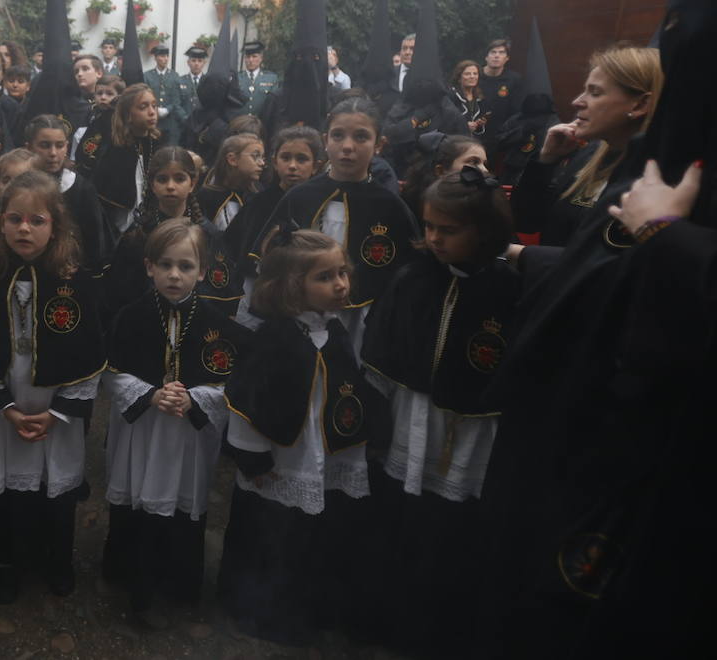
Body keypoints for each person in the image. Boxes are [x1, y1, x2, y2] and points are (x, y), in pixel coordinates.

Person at [360, 167, 518, 656]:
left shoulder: (509, 289)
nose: (433, 238)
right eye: (428, 226)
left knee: (449, 529)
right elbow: (384, 342)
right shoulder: (413, 277)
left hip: (467, 429)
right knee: (401, 520)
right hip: (411, 417)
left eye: (448, 230)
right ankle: (385, 617)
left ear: (485, 231)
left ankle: (437, 629)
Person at [0, 171, 105, 603]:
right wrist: (7, 409)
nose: (24, 229)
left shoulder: (75, 281)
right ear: (1, 223)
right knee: (4, 493)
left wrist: (57, 413)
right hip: (3, 408)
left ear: (56, 226)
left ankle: (58, 560)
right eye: (15, 219)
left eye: (37, 220)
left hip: (55, 408)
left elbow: (90, 353)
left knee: (57, 490)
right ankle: (6, 561)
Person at [219, 228, 379, 646]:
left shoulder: (336, 332)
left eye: (342, 272)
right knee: (269, 540)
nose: (340, 284)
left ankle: (306, 608)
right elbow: (246, 400)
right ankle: (258, 614)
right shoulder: (274, 340)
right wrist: (253, 458)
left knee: (308, 539)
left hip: (319, 454)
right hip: (278, 464)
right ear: (291, 286)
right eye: (324, 277)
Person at [102, 219, 249, 624]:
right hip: (141, 428)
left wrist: (194, 399)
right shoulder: (130, 317)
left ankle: (178, 582)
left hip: (187, 434)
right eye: (165, 264)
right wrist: (150, 395)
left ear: (202, 271)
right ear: (149, 266)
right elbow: (109, 372)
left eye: (185, 266)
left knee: (182, 499)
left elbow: (233, 382)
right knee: (136, 495)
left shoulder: (218, 324)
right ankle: (133, 579)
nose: (174, 275)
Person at [251, 97, 418, 353]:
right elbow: (269, 259)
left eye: (361, 137)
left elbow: (408, 274)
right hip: (300, 314)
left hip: (363, 322)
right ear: (325, 140)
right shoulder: (299, 197)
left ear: (379, 145)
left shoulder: (391, 207)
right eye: (338, 136)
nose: (347, 146)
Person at [510, 44, 661, 246]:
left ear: (641, 105)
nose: (577, 102)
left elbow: (609, 260)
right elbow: (525, 221)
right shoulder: (588, 154)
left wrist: (523, 255)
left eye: (595, 93)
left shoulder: (658, 177)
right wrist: (545, 161)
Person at [104, 145, 245, 315]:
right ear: (152, 184)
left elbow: (220, 293)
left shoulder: (207, 233)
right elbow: (119, 293)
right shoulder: (137, 234)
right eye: (162, 179)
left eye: (179, 179)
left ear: (192, 183)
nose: (170, 186)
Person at [24, 114, 112, 274]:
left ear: (67, 147)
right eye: (44, 145)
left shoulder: (81, 188)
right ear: (29, 148)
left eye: (59, 146)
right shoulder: (20, 186)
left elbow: (94, 241)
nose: (53, 153)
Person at [224, 125, 322, 266]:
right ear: (275, 162)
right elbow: (236, 249)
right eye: (285, 158)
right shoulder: (259, 203)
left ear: (315, 166)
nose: (292, 165)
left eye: (301, 159)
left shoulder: (321, 202)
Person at [95, 83, 161, 233]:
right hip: (119, 225)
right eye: (143, 107)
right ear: (128, 114)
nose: (152, 112)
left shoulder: (156, 144)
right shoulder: (116, 150)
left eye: (154, 105)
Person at [400, 132, 488, 228]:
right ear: (441, 171)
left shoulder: (486, 202)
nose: (485, 170)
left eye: (484, 164)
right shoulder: (408, 211)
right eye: (473, 162)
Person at [197, 133, 265, 230]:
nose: (262, 163)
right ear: (232, 159)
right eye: (255, 156)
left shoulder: (258, 193)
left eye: (262, 157)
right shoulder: (207, 196)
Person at [479, 39, 521, 137]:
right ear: (486, 57)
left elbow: (517, 110)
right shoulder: (475, 76)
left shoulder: (514, 79)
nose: (496, 56)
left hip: (502, 133)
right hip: (476, 132)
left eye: (501, 52)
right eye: (493, 52)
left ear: (507, 58)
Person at [143, 45, 184, 144]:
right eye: (162, 56)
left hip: (170, 121)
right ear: (155, 58)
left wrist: (168, 109)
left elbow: (177, 99)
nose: (165, 59)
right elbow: (144, 97)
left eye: (166, 56)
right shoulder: (147, 76)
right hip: (153, 119)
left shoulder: (174, 76)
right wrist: (155, 109)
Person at [233, 41, 278, 118]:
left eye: (254, 56)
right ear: (244, 59)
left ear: (261, 58)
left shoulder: (271, 79)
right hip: (240, 122)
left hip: (261, 122)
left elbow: (273, 105)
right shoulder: (236, 78)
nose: (251, 60)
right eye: (248, 57)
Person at [450, 59, 488, 136]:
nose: (472, 76)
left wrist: (479, 125)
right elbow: (445, 123)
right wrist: (464, 126)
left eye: (475, 74)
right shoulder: (450, 96)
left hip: (472, 141)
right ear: (459, 78)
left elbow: (478, 129)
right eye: (467, 74)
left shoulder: (480, 97)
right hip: (455, 140)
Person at [178, 44, 208, 120]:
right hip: (184, 122)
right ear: (188, 62)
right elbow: (176, 104)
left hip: (203, 123)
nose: (196, 64)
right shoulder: (180, 81)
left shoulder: (208, 82)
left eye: (200, 61)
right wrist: (186, 119)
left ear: (204, 63)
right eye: (193, 60)